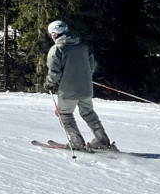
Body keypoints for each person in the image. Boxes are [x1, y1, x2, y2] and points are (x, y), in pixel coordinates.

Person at [43, 20, 113, 150]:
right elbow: (92, 65)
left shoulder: (57, 49)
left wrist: (49, 84)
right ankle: (102, 140)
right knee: (88, 112)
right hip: (86, 87)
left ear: (53, 34)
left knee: (64, 113)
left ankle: (76, 142)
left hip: (68, 89)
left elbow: (54, 72)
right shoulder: (82, 45)